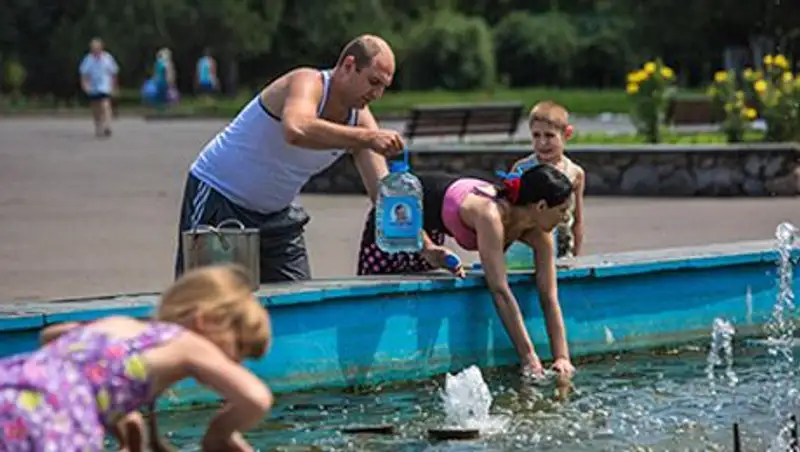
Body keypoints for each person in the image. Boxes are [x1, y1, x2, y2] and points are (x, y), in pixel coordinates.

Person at [175, 34, 405, 284]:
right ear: (349, 66)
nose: (377, 94)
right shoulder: (307, 82)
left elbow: (383, 197)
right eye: (373, 82)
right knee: (208, 299)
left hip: (276, 216)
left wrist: (423, 245)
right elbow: (296, 129)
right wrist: (367, 138)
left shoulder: (359, 120)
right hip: (221, 197)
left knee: (298, 299)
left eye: (383, 87)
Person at [0, 264, 273, 451]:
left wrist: (114, 405)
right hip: (53, 421)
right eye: (238, 349)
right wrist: (218, 435)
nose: (236, 365)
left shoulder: (122, 324)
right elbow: (256, 398)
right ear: (206, 321)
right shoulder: (189, 343)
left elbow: (52, 336)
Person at [356, 165, 576, 378]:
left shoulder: (540, 233)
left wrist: (562, 358)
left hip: (431, 227)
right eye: (562, 210)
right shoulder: (490, 215)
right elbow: (499, 290)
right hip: (398, 212)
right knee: (375, 307)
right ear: (541, 206)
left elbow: (549, 296)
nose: (566, 218)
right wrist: (529, 358)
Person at [510, 101, 585, 257]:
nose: (542, 143)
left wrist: (577, 254)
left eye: (550, 135)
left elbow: (577, 220)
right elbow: (509, 212)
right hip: (529, 248)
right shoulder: (522, 168)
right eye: (536, 135)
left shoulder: (575, 173)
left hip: (562, 247)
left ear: (567, 134)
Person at [79, 37, 119, 138]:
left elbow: (113, 73)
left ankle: (107, 126)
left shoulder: (107, 58)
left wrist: (114, 86)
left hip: (105, 86)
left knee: (106, 105)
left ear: (101, 48)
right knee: (95, 108)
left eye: (97, 48)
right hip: (93, 87)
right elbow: (84, 74)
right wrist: (85, 85)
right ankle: (98, 125)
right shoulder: (88, 59)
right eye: (93, 48)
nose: (95, 50)